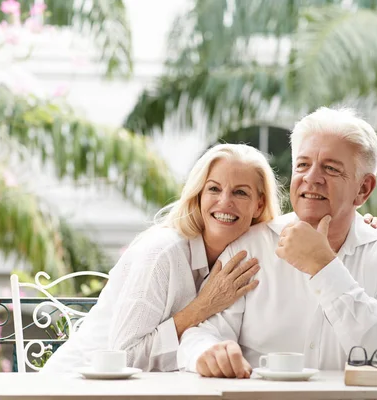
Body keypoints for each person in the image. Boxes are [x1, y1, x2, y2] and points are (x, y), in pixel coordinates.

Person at [177, 107, 377, 379]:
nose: (311, 178)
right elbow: (201, 334)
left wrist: (324, 267)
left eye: (330, 169)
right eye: (303, 165)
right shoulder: (249, 248)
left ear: (363, 188)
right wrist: (206, 352)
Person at [41, 143, 282, 373]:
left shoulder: (243, 264)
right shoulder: (163, 253)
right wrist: (202, 306)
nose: (225, 201)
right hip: (74, 384)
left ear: (259, 205)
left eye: (240, 192)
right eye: (214, 189)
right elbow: (124, 355)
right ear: (198, 195)